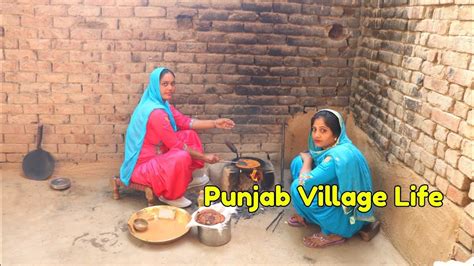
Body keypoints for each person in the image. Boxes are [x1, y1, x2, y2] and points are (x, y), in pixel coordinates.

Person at [120, 67, 235, 208]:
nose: (170, 88)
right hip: (142, 167)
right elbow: (177, 145)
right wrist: (204, 157)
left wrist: (215, 123)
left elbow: (185, 122)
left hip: (158, 153)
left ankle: (188, 178)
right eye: (165, 84)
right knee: (181, 155)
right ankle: (170, 195)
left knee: (189, 135)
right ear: (155, 85)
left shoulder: (162, 104)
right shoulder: (156, 112)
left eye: (172, 83)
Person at [288, 109, 375, 248]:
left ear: (336, 134)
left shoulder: (336, 157)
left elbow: (305, 182)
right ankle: (309, 216)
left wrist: (307, 161)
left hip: (348, 218)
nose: (316, 135)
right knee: (298, 162)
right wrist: (306, 160)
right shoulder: (335, 147)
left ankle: (333, 233)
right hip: (337, 198)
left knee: (297, 187)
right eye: (314, 129)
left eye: (323, 130)